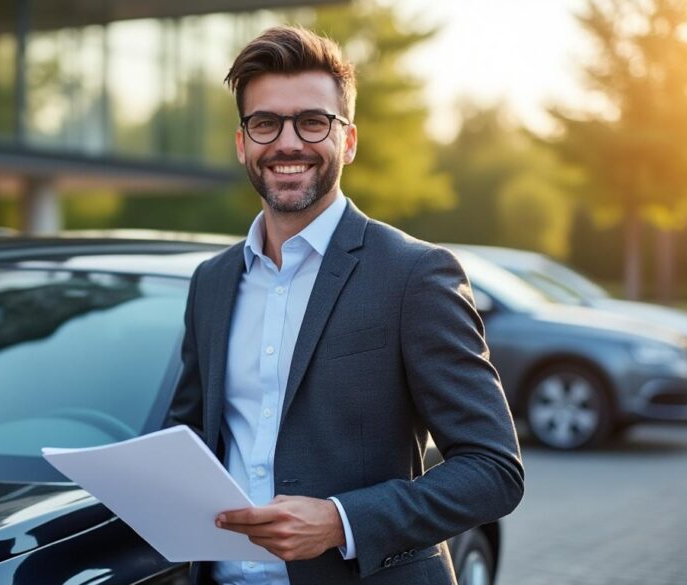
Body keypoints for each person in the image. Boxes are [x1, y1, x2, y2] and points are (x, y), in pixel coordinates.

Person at [166, 26, 524, 585]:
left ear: (349, 140)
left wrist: (341, 521)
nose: (288, 143)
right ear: (242, 144)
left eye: (313, 122)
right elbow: (187, 439)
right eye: (265, 123)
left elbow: (493, 469)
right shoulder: (211, 282)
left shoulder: (414, 274)